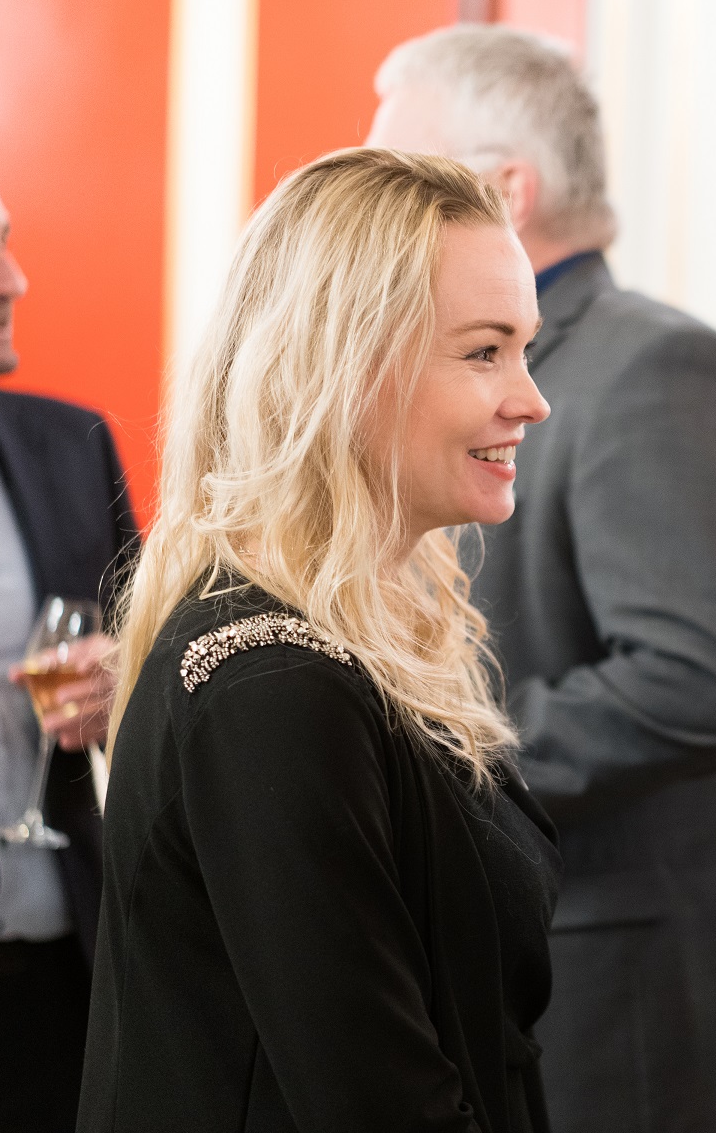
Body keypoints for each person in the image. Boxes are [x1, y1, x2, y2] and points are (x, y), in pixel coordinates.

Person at [77, 148, 558, 1132]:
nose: (530, 398)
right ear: (344, 365)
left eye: (525, 349)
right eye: (484, 352)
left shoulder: (358, 630)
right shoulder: (271, 686)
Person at [367, 25, 716, 1132]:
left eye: (402, 172)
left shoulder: (657, 367)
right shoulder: (440, 368)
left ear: (506, 191)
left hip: (614, 996)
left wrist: (420, 756)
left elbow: (699, 678)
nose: (373, 207)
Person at [0, 130, 136, 1132]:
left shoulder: (73, 445)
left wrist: (127, 679)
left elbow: (159, 671)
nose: (11, 277)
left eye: (3, 239)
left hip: (57, 993)